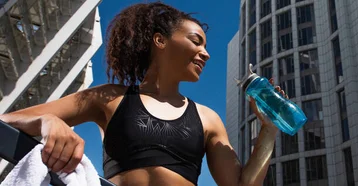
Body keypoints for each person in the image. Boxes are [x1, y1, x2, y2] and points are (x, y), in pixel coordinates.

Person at [0, 2, 284, 186]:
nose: (206, 53)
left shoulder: (208, 119)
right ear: (160, 41)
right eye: (196, 41)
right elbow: (8, 120)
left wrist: (268, 131)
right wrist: (49, 122)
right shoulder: (109, 98)